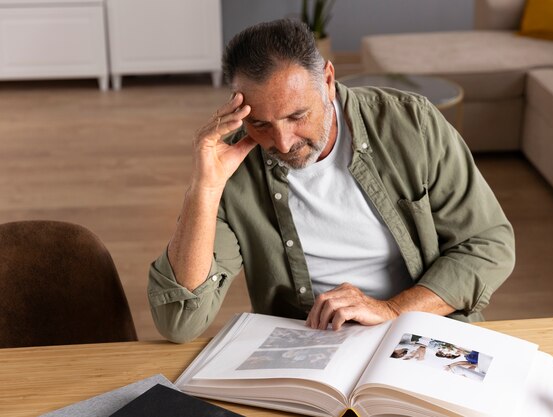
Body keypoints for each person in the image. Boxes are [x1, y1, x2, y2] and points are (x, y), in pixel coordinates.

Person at [147, 19, 515, 343]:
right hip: (311, 351)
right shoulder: (231, 167)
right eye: (259, 123)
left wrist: (392, 310)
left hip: (425, 331)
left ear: (327, 81)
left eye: (297, 115)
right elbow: (180, 322)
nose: (283, 142)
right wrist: (205, 189)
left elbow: (488, 244)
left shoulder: (412, 123)